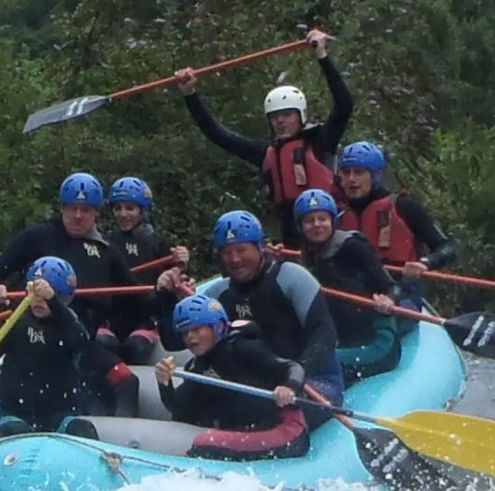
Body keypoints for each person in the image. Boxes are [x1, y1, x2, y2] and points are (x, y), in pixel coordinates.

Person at [156, 209, 344, 419]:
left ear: (260, 247)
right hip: (257, 381)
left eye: (241, 250)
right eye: (227, 252)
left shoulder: (292, 278)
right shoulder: (219, 294)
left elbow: (324, 333)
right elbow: (174, 343)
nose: (234, 259)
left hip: (313, 382)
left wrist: (296, 376)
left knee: (265, 410)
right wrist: (165, 298)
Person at [174, 30, 352, 248]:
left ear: (301, 115)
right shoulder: (266, 152)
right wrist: (190, 94)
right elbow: (217, 134)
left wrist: (322, 56)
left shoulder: (321, 141)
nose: (281, 122)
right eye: (275, 117)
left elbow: (344, 104)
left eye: (287, 115)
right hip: (291, 241)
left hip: (327, 233)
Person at [0, 172, 143, 341]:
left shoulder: (106, 251)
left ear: (96, 213)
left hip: (79, 340)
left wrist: (166, 284)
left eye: (85, 210)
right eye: (72, 208)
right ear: (62, 208)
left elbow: (139, 300)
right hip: (34, 335)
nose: (78, 216)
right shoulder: (37, 236)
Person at [0, 257, 103, 438]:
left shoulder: (69, 324)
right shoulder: (18, 322)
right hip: (16, 413)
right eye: (34, 294)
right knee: (15, 432)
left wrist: (52, 301)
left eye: (46, 296)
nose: (38, 301)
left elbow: (80, 340)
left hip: (60, 416)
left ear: (62, 296)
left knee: (84, 430)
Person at [154, 295, 309, 461]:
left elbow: (292, 367)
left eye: (197, 329)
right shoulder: (196, 367)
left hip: (284, 429)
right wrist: (164, 384)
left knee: (206, 443)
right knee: (203, 446)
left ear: (218, 326)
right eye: (185, 332)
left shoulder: (242, 348)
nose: (190, 337)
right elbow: (180, 409)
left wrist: (289, 387)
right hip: (246, 431)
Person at [294, 189, 404, 383]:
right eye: (309, 221)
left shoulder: (353, 246)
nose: (317, 225)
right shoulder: (308, 256)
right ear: (301, 226)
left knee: (314, 365)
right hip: (345, 340)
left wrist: (389, 299)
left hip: (377, 343)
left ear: (333, 221)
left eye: (322, 219)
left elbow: (391, 286)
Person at [334, 141, 454, 309]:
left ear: (375, 176)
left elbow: (447, 248)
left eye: (359, 172)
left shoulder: (403, 206)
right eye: (346, 173)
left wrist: (426, 263)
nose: (352, 179)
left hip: (403, 293)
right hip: (358, 296)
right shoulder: (338, 217)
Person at [101, 176, 191, 365]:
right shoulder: (106, 242)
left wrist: (182, 264)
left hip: (144, 321)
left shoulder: (158, 245)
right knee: (103, 345)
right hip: (111, 319)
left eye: (130, 208)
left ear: (143, 210)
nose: (123, 214)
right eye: (118, 208)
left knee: (134, 349)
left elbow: (179, 283)